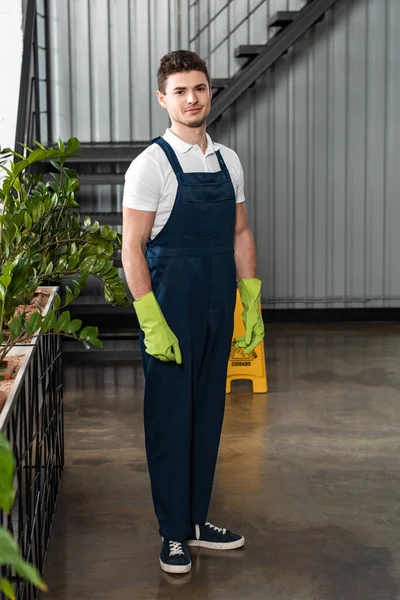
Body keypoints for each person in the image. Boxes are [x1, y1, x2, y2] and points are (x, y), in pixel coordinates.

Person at [122, 50, 264, 575]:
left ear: (210, 93)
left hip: (216, 303)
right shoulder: (150, 165)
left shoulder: (229, 160)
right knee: (169, 422)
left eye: (199, 89)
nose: (191, 99)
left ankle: (197, 521)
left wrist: (250, 301)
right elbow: (131, 247)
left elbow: (240, 232)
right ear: (163, 99)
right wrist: (151, 321)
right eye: (180, 91)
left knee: (208, 416)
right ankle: (172, 533)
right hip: (170, 308)